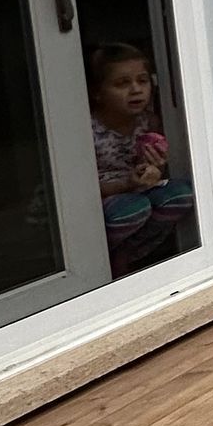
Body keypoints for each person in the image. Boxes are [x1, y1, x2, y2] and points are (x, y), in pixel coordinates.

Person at [87, 42, 193, 277]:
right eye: (122, 84)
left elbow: (152, 170)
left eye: (142, 81)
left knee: (182, 194)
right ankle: (105, 257)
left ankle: (128, 252)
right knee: (134, 209)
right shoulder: (88, 130)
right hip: (105, 196)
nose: (136, 90)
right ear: (97, 92)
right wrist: (127, 184)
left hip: (135, 190)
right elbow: (80, 190)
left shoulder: (148, 122)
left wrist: (155, 170)